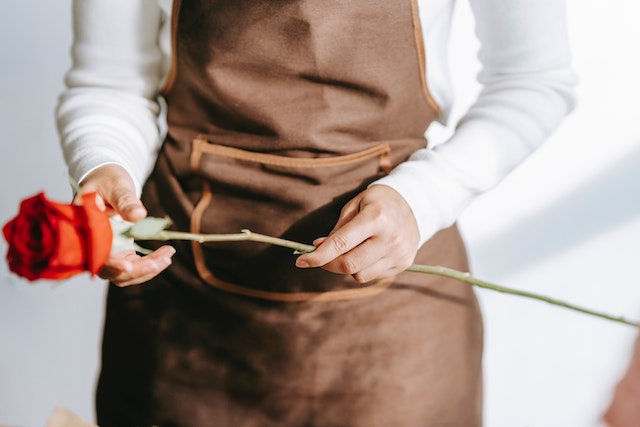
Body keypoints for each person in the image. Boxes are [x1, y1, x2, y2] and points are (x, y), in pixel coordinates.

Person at [57, 0, 576, 425]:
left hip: (399, 339)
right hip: (184, 325)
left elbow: (533, 80)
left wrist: (424, 197)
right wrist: (103, 168)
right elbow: (111, 81)